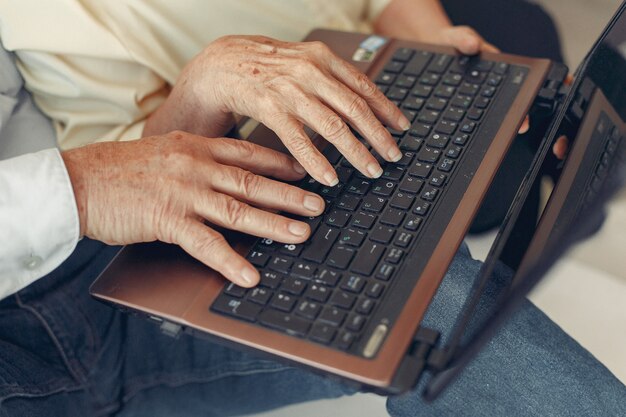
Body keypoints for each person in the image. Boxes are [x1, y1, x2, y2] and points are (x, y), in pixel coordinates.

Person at [0, 0, 624, 416]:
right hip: (77, 258)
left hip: (324, 98)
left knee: (522, 64)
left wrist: (431, 40)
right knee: (401, 287)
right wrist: (91, 179)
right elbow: (143, 177)